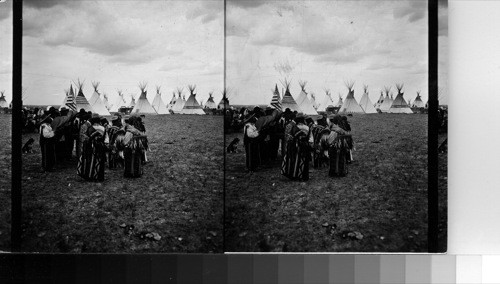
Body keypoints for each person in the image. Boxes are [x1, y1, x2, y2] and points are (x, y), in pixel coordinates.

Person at [77, 116, 108, 181]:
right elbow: (106, 139)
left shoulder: (90, 128)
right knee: (99, 161)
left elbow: (87, 138)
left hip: (90, 147)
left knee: (90, 161)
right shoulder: (103, 128)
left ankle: (90, 176)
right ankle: (99, 177)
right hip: (100, 147)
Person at [281, 114, 311, 181]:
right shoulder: (307, 127)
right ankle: (302, 176)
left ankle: (294, 175)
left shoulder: (293, 127)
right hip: (304, 146)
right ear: (303, 120)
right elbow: (309, 138)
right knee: (303, 161)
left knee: (294, 160)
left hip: (294, 146)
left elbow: (289, 137)